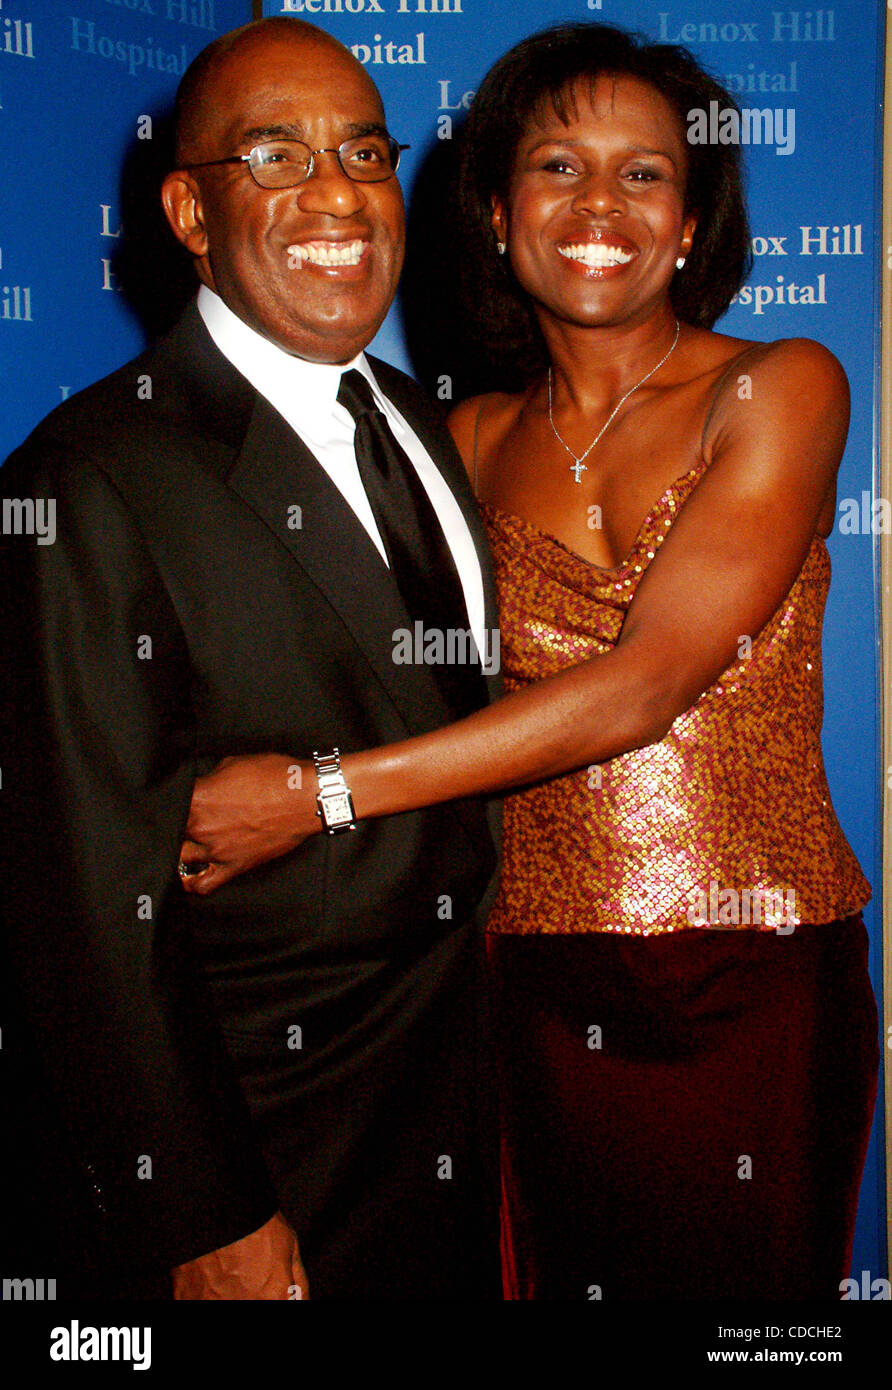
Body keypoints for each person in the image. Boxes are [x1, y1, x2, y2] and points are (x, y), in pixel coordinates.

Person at [178, 23, 879, 1300]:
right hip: (524, 979)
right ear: (497, 214)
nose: (601, 204)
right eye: (559, 167)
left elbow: (648, 682)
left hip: (752, 975)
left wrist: (314, 793)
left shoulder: (781, 386)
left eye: (645, 173)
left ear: (689, 220)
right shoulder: (455, 436)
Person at [0, 17, 502, 1301]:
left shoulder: (420, 422)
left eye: (363, 152)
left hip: (444, 1119)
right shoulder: (90, 477)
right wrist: (197, 1207)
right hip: (267, 1149)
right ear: (186, 210)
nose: (339, 192)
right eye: (276, 156)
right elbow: (79, 895)